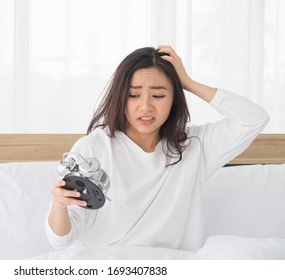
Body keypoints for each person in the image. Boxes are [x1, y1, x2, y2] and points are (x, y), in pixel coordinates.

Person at [46, 45, 269, 251]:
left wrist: (188, 82)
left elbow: (254, 119)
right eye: (133, 95)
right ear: (120, 97)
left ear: (174, 98)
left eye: (159, 95)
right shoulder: (94, 148)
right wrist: (58, 206)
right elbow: (61, 240)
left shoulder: (195, 146)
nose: (146, 106)